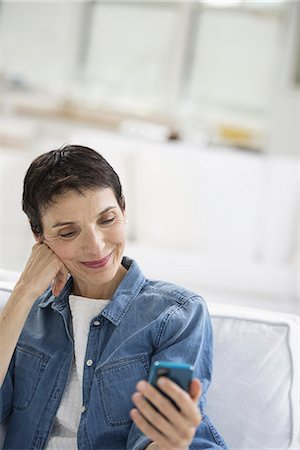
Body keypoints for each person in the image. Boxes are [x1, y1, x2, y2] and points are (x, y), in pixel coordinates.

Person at [0, 145, 228, 450]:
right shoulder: (25, 314)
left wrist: (170, 443)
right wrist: (24, 291)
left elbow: (154, 439)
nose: (95, 246)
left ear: (123, 209)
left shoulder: (175, 315)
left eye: (107, 220)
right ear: (39, 236)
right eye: (68, 232)